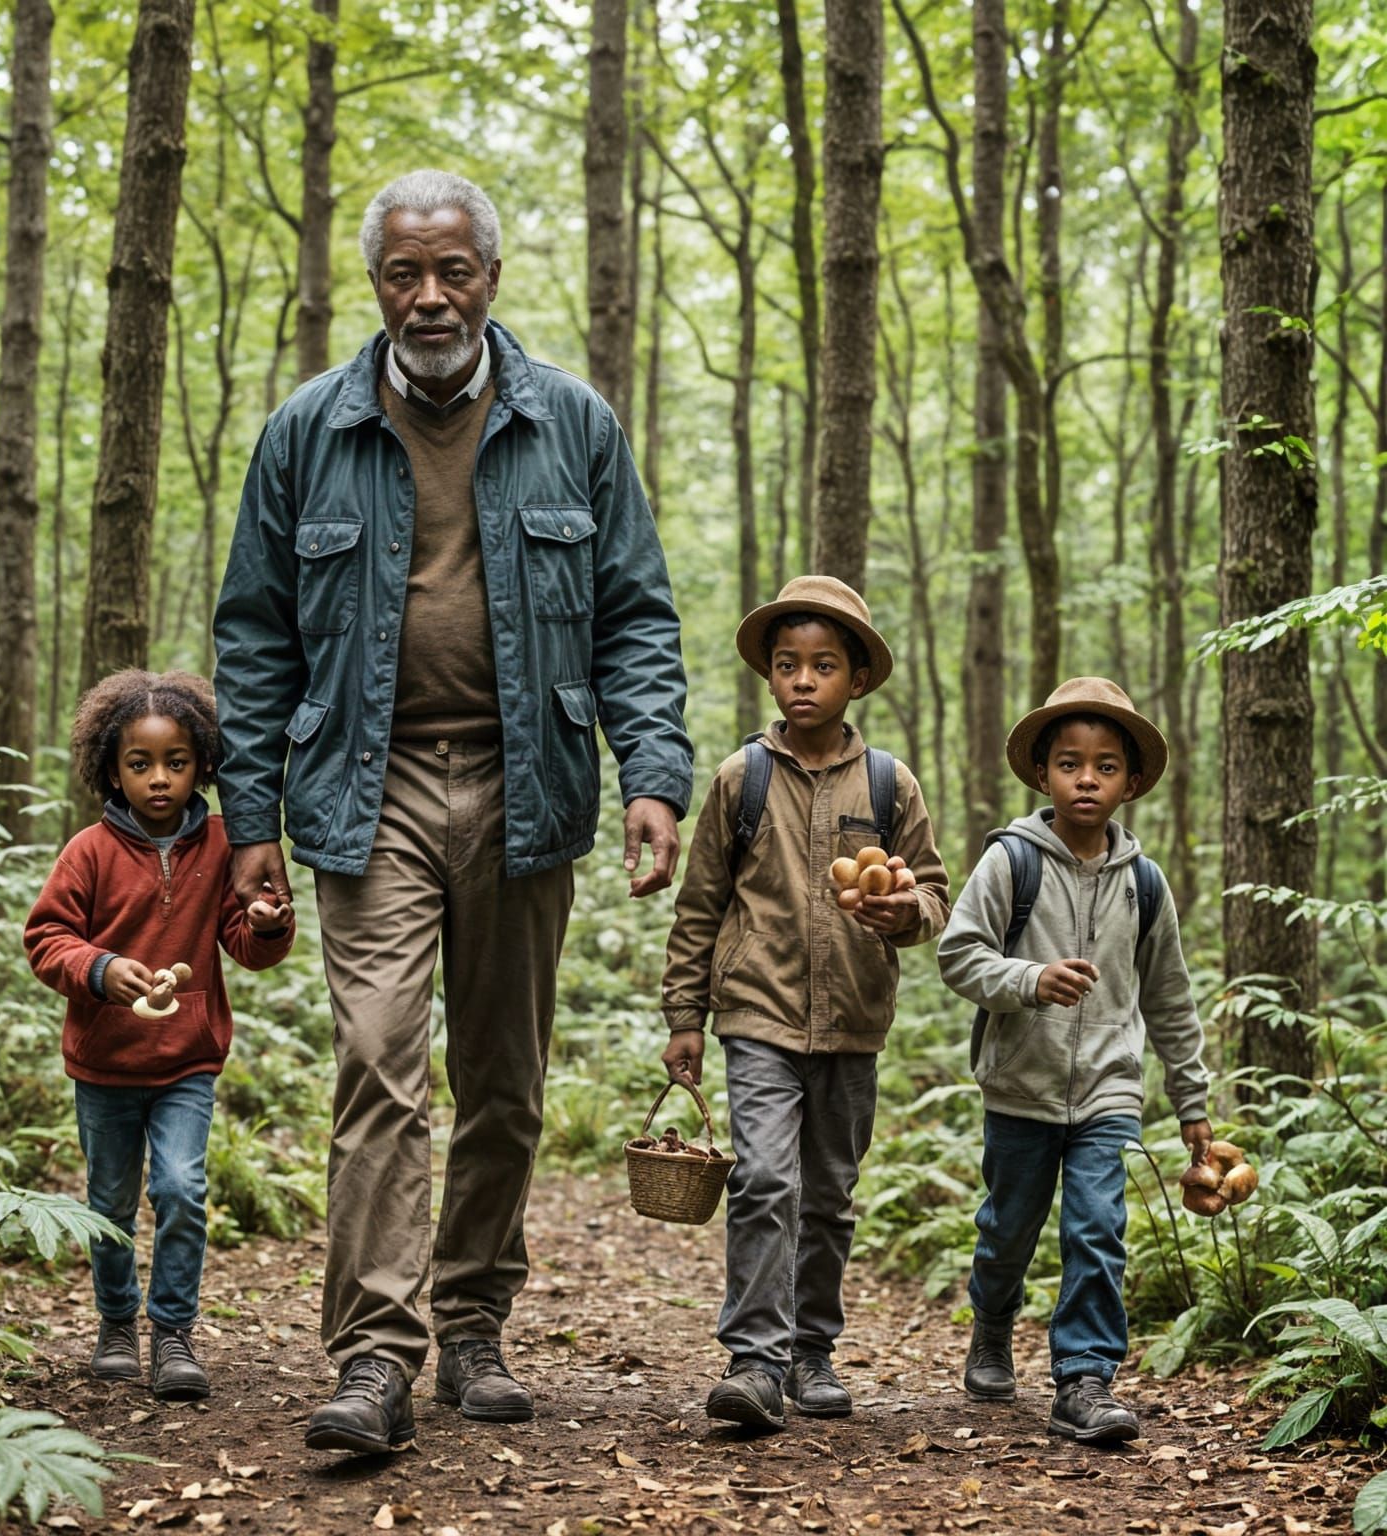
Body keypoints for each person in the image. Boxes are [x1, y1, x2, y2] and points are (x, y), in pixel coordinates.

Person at [213, 169, 692, 1456]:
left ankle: (474, 1317)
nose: (429, 296)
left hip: (527, 781)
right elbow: (254, 637)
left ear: (490, 275)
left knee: (505, 1081)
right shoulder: (307, 429)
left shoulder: (572, 424)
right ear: (377, 284)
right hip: (361, 795)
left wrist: (654, 772)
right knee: (378, 1062)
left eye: (452, 271)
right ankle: (374, 1353)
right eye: (403, 273)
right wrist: (246, 816)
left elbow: (636, 612)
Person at [659, 575, 950, 1430]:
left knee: (828, 1194)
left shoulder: (891, 785)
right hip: (757, 1013)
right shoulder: (738, 780)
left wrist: (906, 913)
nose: (803, 680)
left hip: (855, 1022)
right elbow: (701, 905)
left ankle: (812, 1351)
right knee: (763, 1179)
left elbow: (931, 894)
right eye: (788, 664)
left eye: (824, 666)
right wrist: (686, 1016)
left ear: (856, 679)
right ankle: (754, 1358)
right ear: (770, 676)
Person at [937, 676, 1213, 1444]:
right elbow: (958, 955)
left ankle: (1084, 1380)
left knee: (1097, 1228)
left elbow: (1169, 1000)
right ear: (1042, 774)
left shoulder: (1145, 886)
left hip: (1108, 1093)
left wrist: (1192, 1103)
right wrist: (1029, 980)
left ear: (1130, 782)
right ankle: (992, 1324)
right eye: (1068, 762)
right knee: (1008, 1231)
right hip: (1018, 1088)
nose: (1085, 778)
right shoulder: (1011, 864)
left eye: (1104, 765)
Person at [25, 670, 295, 1401]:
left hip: (187, 1062)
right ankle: (116, 1323)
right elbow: (46, 937)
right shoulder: (87, 851)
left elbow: (245, 941)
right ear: (109, 768)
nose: (158, 779)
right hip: (104, 1064)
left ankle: (172, 1332)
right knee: (109, 1202)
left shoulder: (221, 843)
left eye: (176, 762)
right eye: (139, 764)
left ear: (204, 763)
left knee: (180, 1189)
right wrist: (100, 969)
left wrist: (271, 923)